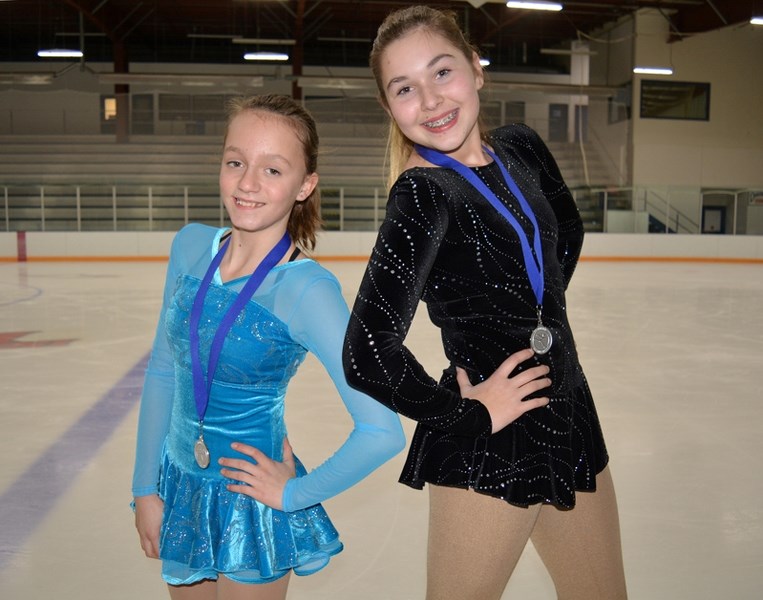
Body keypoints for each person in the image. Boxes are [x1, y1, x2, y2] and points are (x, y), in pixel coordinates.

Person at [342, 6, 627, 600]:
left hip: (570, 412)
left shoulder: (521, 149)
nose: (430, 99)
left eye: (442, 72)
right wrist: (468, 414)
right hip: (492, 440)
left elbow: (565, 232)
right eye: (405, 88)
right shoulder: (423, 195)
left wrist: (533, 322)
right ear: (390, 106)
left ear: (476, 69)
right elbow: (367, 351)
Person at [132, 93, 405, 599]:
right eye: (236, 162)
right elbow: (164, 372)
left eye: (273, 170)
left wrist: (294, 493)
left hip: (251, 505)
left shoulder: (305, 290)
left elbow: (381, 430)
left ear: (305, 185)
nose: (248, 183)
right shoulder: (190, 247)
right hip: (180, 488)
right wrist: (144, 488)